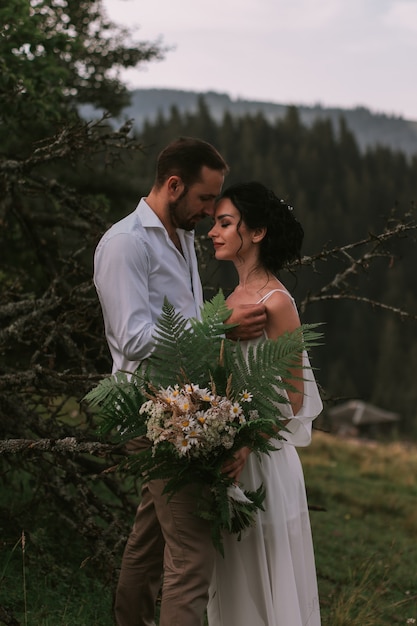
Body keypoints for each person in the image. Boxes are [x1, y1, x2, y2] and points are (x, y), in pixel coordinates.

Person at [93, 138, 267, 626]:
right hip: (150, 416)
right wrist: (218, 327)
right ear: (173, 185)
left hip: (185, 412)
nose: (211, 212)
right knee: (192, 559)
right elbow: (132, 339)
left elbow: (178, 322)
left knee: (149, 544)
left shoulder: (181, 237)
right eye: (205, 199)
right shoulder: (126, 243)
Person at [207, 181, 323, 626]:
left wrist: (246, 444)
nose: (213, 232)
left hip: (262, 460)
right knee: (232, 580)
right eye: (215, 223)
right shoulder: (229, 301)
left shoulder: (276, 302)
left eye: (225, 223)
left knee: (267, 581)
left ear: (255, 233)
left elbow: (295, 394)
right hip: (225, 453)